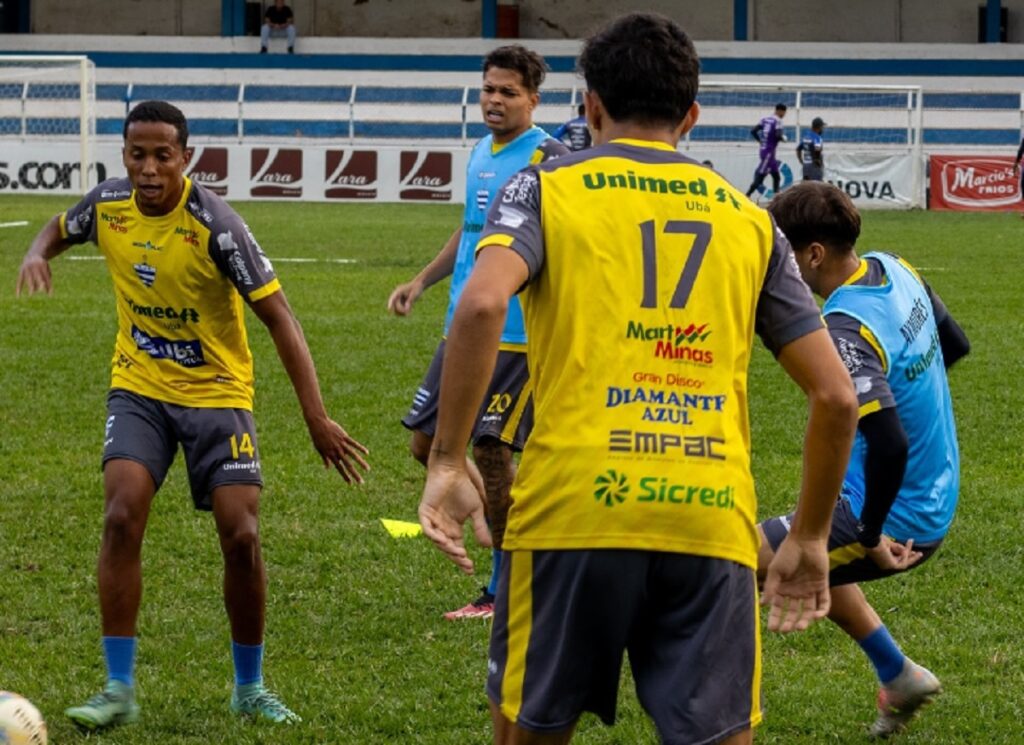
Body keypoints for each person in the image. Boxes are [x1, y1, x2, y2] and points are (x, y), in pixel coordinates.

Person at [418, 13, 859, 744]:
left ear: (589, 105)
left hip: (572, 507)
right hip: (708, 515)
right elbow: (837, 394)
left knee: (531, 728)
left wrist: (446, 456)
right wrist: (809, 537)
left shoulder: (543, 187)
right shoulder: (751, 221)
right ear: (691, 115)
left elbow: (484, 300)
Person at [15, 100, 369, 730]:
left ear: (187, 157)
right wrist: (36, 253)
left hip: (218, 393)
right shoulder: (106, 205)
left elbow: (281, 318)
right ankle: (118, 687)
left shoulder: (216, 226)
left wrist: (316, 417)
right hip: (140, 386)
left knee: (242, 536)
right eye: (137, 154)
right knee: (121, 514)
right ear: (124, 155)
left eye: (162, 156)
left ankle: (249, 686)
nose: (148, 169)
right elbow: (58, 226)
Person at [759, 181, 969, 738]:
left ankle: (710, 713)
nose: (776, 267)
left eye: (781, 253)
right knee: (803, 544)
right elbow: (954, 344)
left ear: (813, 255)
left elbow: (893, 443)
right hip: (933, 490)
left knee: (727, 561)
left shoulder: (846, 327)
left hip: (900, 517)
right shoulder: (892, 265)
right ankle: (898, 674)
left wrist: (872, 532)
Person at [387, 46, 568, 620]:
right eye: (488, 89)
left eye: (508, 92)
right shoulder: (478, 152)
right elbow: (469, 231)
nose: (494, 100)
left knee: (491, 450)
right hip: (461, 326)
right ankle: (499, 526)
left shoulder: (550, 158)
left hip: (515, 333)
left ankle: (504, 590)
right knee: (427, 445)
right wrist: (422, 281)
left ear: (534, 100)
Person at [745, 102, 787, 198]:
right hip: (769, 152)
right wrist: (783, 138)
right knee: (761, 176)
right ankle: (747, 195)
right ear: (780, 111)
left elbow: (753, 131)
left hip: (764, 150)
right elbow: (778, 135)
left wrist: (760, 141)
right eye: (784, 112)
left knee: (776, 176)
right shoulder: (778, 121)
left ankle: (776, 198)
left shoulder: (765, 119)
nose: (784, 115)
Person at [796, 117, 826, 181]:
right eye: (822, 127)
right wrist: (817, 160)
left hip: (806, 166)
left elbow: (798, 149)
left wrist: (801, 160)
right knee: (817, 186)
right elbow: (817, 149)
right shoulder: (817, 137)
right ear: (819, 127)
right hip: (814, 166)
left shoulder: (806, 137)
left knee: (806, 187)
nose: (823, 129)